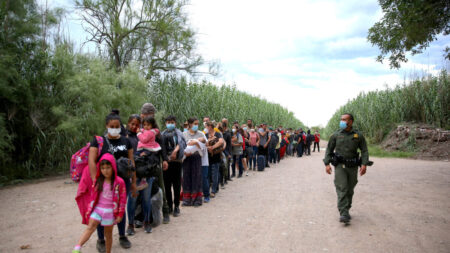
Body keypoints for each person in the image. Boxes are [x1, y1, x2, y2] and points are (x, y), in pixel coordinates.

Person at [76, 113, 136, 252]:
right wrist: (94, 181)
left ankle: (122, 236)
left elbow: (131, 162)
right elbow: (92, 161)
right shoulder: (98, 141)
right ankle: (101, 239)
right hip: (103, 182)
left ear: (121, 127)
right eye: (111, 127)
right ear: (106, 126)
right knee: (100, 208)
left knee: (120, 206)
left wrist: (133, 181)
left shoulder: (126, 142)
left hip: (122, 182)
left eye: (117, 127)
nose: (114, 129)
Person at [73, 154, 127, 253]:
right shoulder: (98, 181)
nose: (105, 170)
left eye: (108, 167)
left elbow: (123, 200)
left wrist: (120, 214)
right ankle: (78, 247)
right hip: (98, 210)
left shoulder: (120, 182)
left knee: (108, 235)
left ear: (113, 167)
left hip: (110, 212)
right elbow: (91, 195)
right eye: (102, 168)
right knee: (90, 227)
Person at [324, 113, 369, 224]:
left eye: (344, 119)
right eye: (341, 119)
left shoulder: (358, 135)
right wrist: (327, 164)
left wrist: (364, 164)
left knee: (350, 189)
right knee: (342, 188)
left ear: (351, 121)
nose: (342, 121)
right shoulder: (335, 135)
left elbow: (364, 150)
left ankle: (347, 209)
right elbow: (329, 150)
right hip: (340, 166)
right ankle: (343, 213)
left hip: (353, 166)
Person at [140, 103, 171, 224]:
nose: (148, 116)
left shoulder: (155, 130)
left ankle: (166, 212)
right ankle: (142, 217)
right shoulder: (139, 127)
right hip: (141, 163)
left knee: (160, 187)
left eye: (151, 114)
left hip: (155, 162)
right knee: (140, 191)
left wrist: (164, 160)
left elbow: (162, 146)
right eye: (146, 114)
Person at [161, 115, 186, 217]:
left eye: (172, 122)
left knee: (176, 185)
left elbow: (182, 143)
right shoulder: (162, 134)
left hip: (177, 162)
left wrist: (175, 151)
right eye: (168, 122)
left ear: (175, 123)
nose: (170, 124)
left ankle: (176, 206)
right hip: (166, 163)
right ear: (165, 123)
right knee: (167, 185)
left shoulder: (179, 133)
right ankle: (169, 206)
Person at [182, 117, 206, 206]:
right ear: (189, 124)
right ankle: (187, 199)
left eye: (197, 124)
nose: (196, 126)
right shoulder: (183, 134)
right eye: (195, 124)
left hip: (196, 158)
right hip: (186, 158)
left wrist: (196, 143)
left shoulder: (201, 134)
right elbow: (181, 146)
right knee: (186, 178)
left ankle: (197, 199)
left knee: (197, 177)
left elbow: (204, 146)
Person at [205, 121, 225, 197]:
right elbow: (204, 144)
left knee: (215, 174)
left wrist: (212, 147)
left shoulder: (218, 134)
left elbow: (221, 142)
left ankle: (213, 191)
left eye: (207, 126)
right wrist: (208, 146)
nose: (206, 128)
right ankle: (213, 188)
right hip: (207, 158)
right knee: (209, 175)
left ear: (210, 126)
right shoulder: (206, 135)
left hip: (216, 157)